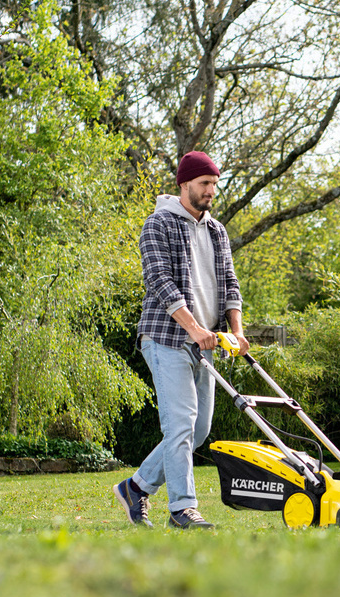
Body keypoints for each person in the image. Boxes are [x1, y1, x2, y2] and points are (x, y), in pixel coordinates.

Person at [113, 150, 250, 529]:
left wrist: (235, 331)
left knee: (199, 429)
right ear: (184, 183)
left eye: (214, 185)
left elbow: (230, 284)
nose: (211, 191)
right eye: (205, 184)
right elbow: (159, 282)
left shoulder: (217, 231)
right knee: (180, 425)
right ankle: (182, 508)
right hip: (166, 338)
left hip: (206, 344)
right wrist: (195, 330)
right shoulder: (158, 224)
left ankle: (136, 487)